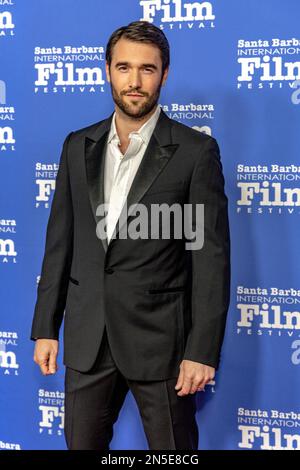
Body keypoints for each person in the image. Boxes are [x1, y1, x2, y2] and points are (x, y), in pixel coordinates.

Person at [30, 20, 231, 450]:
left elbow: (209, 259)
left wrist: (201, 351)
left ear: (164, 74)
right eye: (124, 68)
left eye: (147, 69)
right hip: (87, 341)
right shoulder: (76, 145)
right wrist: (46, 326)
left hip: (162, 345)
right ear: (107, 70)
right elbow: (59, 243)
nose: (134, 82)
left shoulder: (195, 152)